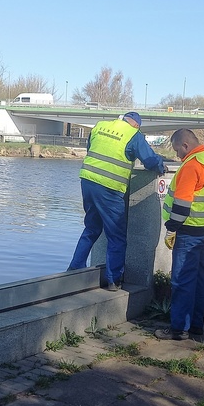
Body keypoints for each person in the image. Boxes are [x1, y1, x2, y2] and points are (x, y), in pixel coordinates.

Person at [68, 111, 165, 290]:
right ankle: (113, 279)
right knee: (116, 235)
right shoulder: (133, 135)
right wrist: (161, 166)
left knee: (91, 227)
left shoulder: (100, 126)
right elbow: (150, 160)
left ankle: (74, 268)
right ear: (136, 124)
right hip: (110, 188)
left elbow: (92, 149)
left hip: (88, 181)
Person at [155, 129, 204, 340]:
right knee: (199, 278)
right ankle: (195, 326)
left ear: (185, 145)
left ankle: (178, 329)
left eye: (177, 150)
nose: (176, 155)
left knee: (181, 280)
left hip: (188, 229)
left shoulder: (191, 165)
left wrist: (172, 228)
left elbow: (182, 205)